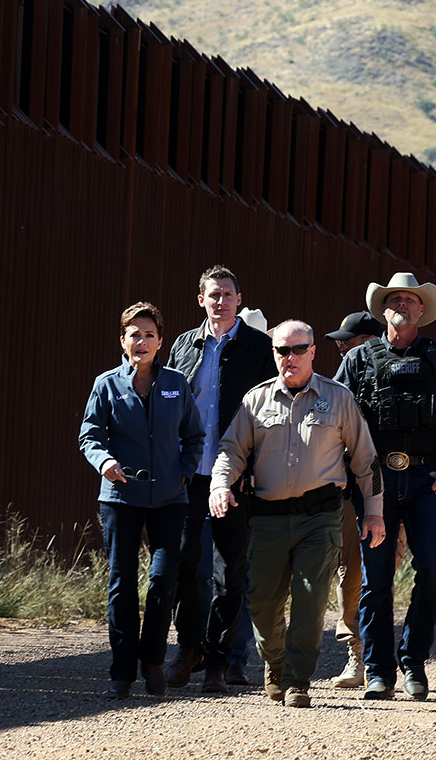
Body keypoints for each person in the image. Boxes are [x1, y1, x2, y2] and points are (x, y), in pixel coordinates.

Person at [210, 320, 386, 709]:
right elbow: (231, 451)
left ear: (312, 352)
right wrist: (220, 485)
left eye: (299, 350)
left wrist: (374, 513)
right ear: (273, 354)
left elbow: (365, 461)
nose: (290, 358)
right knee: (261, 602)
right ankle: (276, 663)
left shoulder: (337, 398)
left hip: (319, 518)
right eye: (282, 351)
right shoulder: (255, 401)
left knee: (310, 600)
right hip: (268, 518)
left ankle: (297, 680)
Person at [335, 272, 436, 701]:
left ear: (421, 310)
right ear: (384, 309)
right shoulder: (358, 361)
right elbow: (334, 419)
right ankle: (378, 671)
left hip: (427, 480)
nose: (401, 305)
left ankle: (413, 661)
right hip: (373, 483)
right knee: (375, 581)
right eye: (394, 299)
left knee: (434, 569)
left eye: (409, 300)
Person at [79, 302, 204, 699]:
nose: (142, 341)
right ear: (123, 340)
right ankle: (122, 669)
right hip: (121, 496)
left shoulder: (175, 383)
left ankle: (152, 662)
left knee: (164, 578)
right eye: (135, 334)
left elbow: (195, 436)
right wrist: (105, 462)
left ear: (160, 341)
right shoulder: (106, 384)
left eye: (149, 334)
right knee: (121, 583)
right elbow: (89, 435)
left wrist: (184, 470)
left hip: (169, 497)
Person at [163, 266, 274, 692]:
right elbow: (168, 401)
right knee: (186, 565)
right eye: (213, 294)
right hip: (189, 474)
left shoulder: (258, 347)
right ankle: (188, 646)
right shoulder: (183, 345)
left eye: (228, 294)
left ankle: (220, 659)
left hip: (235, 477)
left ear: (240, 300)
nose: (221, 301)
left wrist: (255, 469)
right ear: (201, 300)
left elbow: (270, 414)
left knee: (231, 571)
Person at [323, 310, 384, 689]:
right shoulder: (340, 384)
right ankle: (358, 657)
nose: (341, 345)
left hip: (393, 488)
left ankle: (390, 658)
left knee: (382, 575)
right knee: (352, 571)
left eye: (349, 339)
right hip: (349, 491)